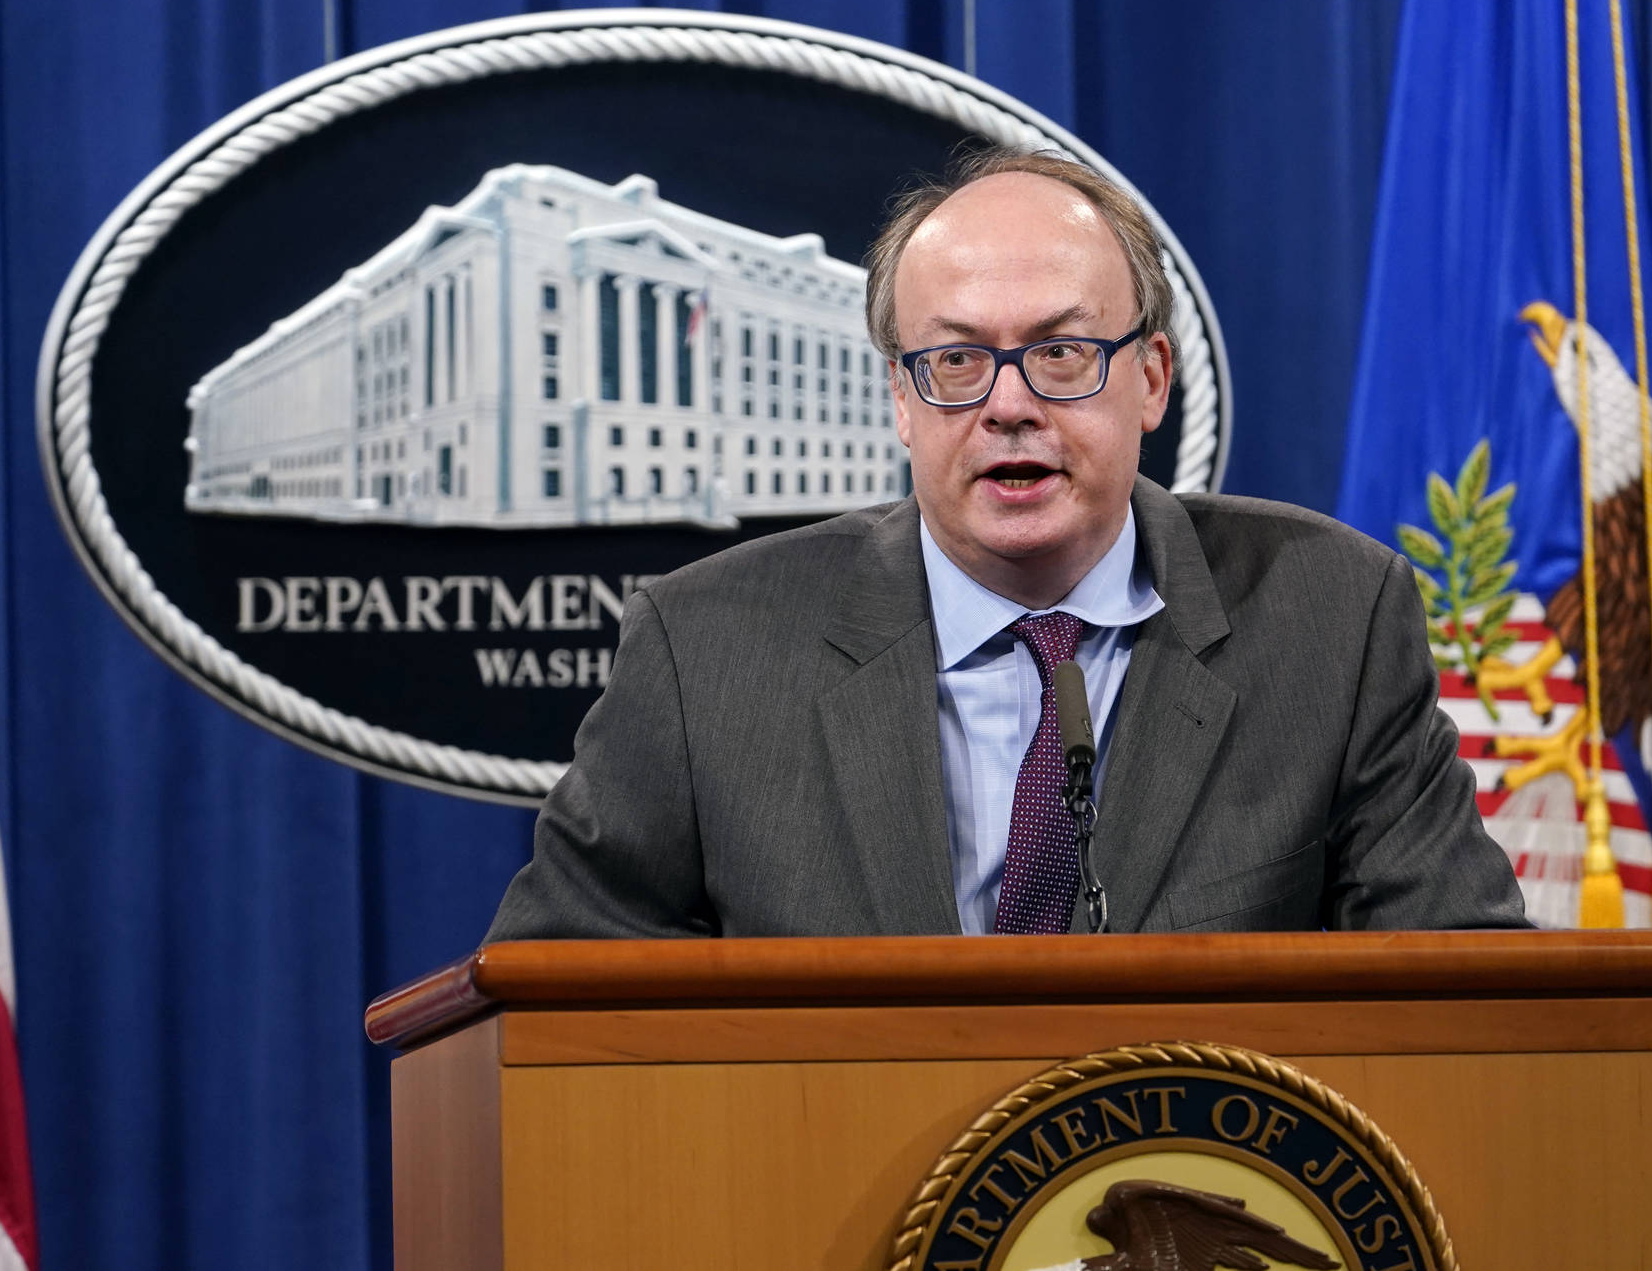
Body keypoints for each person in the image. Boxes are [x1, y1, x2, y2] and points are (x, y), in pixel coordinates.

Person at [486, 149, 1527, 939]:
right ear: (901, 401)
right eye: (955, 362)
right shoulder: (705, 651)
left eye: (1061, 352)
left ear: (1151, 379)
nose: (1009, 405)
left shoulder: (1330, 620)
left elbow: (1460, 995)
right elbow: (555, 1012)